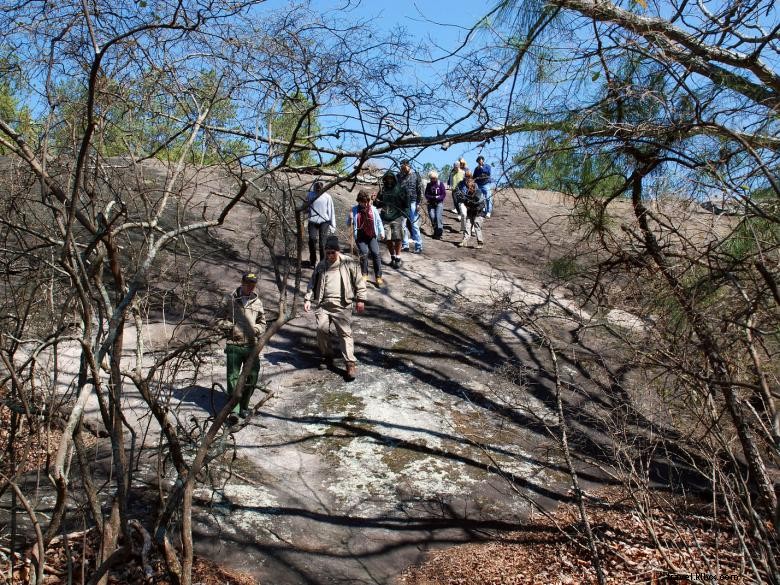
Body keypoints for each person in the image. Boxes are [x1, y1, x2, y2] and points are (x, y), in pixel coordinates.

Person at [303, 236, 367, 381]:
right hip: (323, 304)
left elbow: (359, 281)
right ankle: (327, 357)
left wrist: (361, 299)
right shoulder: (321, 265)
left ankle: (350, 364)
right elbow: (312, 283)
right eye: (328, 252)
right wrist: (307, 298)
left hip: (342, 305)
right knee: (321, 330)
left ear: (338, 251)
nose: (330, 255)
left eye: (333, 252)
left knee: (345, 333)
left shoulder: (348, 262)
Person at [217, 272, 267, 424]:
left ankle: (244, 406)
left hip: (251, 346)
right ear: (242, 283)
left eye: (253, 284)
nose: (251, 286)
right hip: (234, 345)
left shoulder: (257, 302)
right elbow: (218, 320)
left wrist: (255, 330)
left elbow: (263, 323)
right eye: (248, 283)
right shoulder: (229, 299)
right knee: (233, 378)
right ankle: (235, 409)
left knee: (252, 376)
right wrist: (232, 328)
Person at [347, 189, 385, 285]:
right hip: (360, 237)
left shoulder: (373, 209)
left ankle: (378, 276)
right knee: (364, 253)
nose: (365, 204)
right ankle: (364, 274)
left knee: (375, 253)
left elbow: (379, 221)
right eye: (362, 202)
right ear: (358, 201)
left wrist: (382, 232)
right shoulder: (354, 210)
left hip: (371, 235)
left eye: (366, 202)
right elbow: (348, 224)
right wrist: (350, 217)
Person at [374, 172, 409, 269]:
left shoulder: (400, 189)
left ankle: (398, 257)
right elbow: (378, 204)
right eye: (387, 178)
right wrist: (375, 201)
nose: (389, 180)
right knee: (387, 238)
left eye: (391, 178)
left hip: (397, 216)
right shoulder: (383, 190)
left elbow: (406, 203)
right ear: (385, 179)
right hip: (385, 217)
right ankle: (392, 256)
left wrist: (404, 214)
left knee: (398, 237)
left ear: (394, 179)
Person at [305, 181, 336, 267]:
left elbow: (331, 211)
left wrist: (333, 225)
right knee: (312, 240)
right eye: (316, 187)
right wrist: (306, 206)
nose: (318, 189)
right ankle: (313, 260)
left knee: (322, 243)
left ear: (322, 187)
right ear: (314, 187)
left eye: (319, 187)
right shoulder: (310, 195)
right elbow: (306, 208)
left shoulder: (327, 197)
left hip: (324, 221)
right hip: (312, 221)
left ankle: (323, 262)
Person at [396, 160, 424, 253]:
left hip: (413, 202)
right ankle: (405, 245)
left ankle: (418, 246)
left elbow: (420, 190)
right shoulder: (399, 176)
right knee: (402, 225)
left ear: (408, 165)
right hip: (403, 203)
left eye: (404, 167)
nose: (403, 169)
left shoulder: (416, 175)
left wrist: (419, 203)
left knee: (414, 225)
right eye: (402, 168)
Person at [457, 177, 486, 249]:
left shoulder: (478, 192)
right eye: (467, 186)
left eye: (469, 185)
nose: (468, 187)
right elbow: (467, 202)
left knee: (477, 226)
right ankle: (464, 241)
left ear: (472, 185)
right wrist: (464, 200)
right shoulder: (467, 193)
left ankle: (480, 242)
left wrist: (470, 202)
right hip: (470, 212)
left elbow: (480, 202)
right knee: (467, 226)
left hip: (478, 213)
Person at [425, 170, 447, 239]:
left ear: (436, 178)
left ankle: (439, 233)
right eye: (431, 178)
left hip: (439, 203)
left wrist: (438, 198)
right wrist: (433, 197)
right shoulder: (429, 185)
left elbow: (443, 194)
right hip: (430, 204)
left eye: (434, 178)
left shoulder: (440, 184)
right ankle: (435, 231)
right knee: (432, 217)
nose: (433, 179)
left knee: (438, 218)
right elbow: (426, 194)